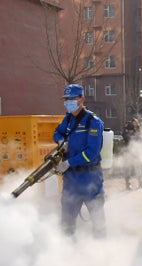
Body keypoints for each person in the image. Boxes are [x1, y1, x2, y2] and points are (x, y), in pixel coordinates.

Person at [53, 84, 106, 238]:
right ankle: (68, 253)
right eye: (66, 99)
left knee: (98, 223)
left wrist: (69, 163)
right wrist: (61, 141)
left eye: (72, 99)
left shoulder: (93, 122)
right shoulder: (68, 119)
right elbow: (57, 132)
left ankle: (101, 254)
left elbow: (91, 153)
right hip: (71, 180)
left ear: (82, 99)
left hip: (90, 178)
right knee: (67, 224)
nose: (68, 102)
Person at [122, 117, 142, 190]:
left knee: (138, 167)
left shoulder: (136, 132)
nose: (130, 132)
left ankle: (140, 183)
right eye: (129, 130)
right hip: (128, 152)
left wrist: (138, 126)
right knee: (127, 168)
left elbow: (141, 137)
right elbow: (124, 135)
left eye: (131, 130)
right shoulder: (126, 133)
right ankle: (127, 185)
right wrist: (125, 128)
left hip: (136, 152)